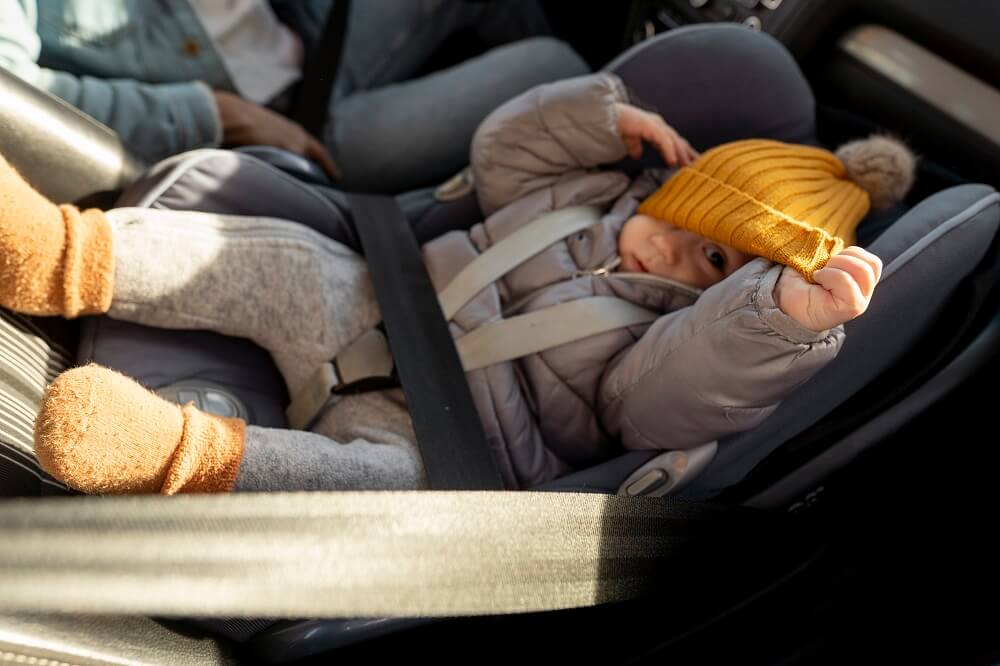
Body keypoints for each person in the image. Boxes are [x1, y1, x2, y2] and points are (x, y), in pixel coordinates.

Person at [0, 73, 913, 495]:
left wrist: (776, 318)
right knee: (274, 258)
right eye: (676, 219)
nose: (671, 251)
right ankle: (59, 254)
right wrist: (595, 117)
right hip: (376, 298)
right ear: (663, 183)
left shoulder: (665, 343)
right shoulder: (591, 189)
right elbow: (500, 157)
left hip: (450, 439)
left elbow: (680, 395)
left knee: (381, 486)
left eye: (713, 261)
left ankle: (181, 451)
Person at [0, 0, 589, 191]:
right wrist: (218, 115)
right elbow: (14, 98)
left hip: (309, 38)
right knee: (557, 69)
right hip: (283, 136)